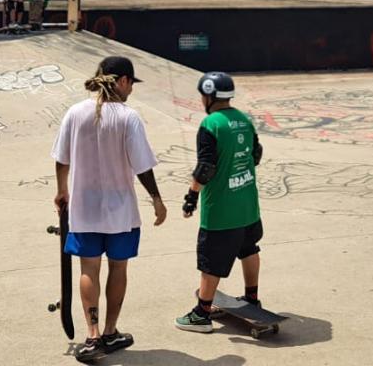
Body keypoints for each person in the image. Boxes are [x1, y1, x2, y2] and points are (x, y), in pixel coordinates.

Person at [52, 56, 166, 362]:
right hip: (121, 212)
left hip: (83, 210)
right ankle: (110, 331)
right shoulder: (129, 117)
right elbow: (142, 166)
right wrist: (156, 199)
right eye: (131, 84)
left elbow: (61, 158)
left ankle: (92, 336)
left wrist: (62, 190)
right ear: (124, 81)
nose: (132, 90)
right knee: (118, 268)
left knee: (88, 269)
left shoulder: (75, 113)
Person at [176, 71, 263, 333]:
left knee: (211, 261)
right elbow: (256, 154)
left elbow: (205, 167)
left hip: (221, 211)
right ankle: (252, 298)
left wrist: (191, 198)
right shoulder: (244, 120)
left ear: (209, 96)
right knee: (249, 248)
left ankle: (201, 314)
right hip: (248, 205)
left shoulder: (211, 124)